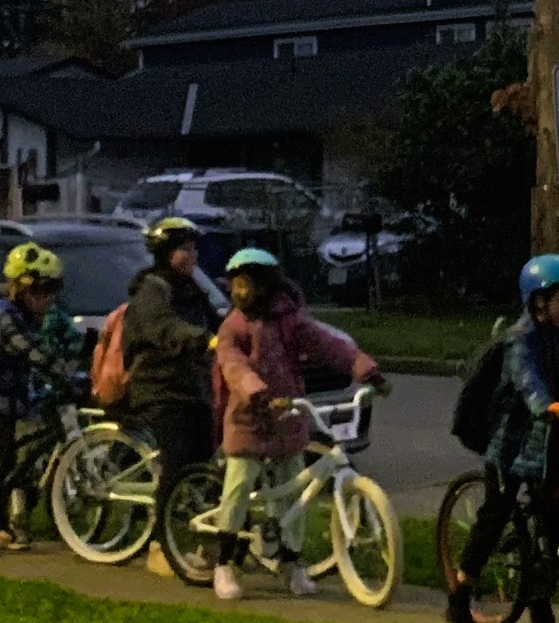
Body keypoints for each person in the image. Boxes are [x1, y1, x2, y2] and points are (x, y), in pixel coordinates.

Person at [447, 253, 559, 623]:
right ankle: (460, 596)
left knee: (556, 516)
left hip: (553, 443)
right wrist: (545, 406)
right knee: (494, 516)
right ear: (539, 302)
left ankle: (539, 591)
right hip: (513, 447)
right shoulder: (519, 341)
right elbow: (527, 381)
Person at [204, 247, 377, 602]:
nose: (239, 293)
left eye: (246, 283)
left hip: (287, 416)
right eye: (235, 284)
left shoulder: (290, 320)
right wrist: (255, 391)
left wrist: (363, 367)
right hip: (247, 418)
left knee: (293, 493)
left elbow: (327, 346)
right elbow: (232, 364)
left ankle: (290, 561)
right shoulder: (233, 326)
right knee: (238, 488)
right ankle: (223, 562)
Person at [0, 243, 90, 559]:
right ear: (23, 287)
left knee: (8, 462)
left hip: (9, 397)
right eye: (44, 289)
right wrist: (66, 375)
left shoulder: (24, 315)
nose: (49, 298)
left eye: (54, 289)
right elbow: (32, 353)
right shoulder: (3, 318)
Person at [120, 217, 221, 512]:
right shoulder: (152, 289)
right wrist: (203, 339)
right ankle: (160, 543)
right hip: (160, 389)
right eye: (184, 250)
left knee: (204, 462)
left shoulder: (192, 288)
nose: (192, 256)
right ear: (166, 253)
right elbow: (164, 327)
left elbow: (218, 324)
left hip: (193, 388)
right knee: (176, 464)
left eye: (193, 249)